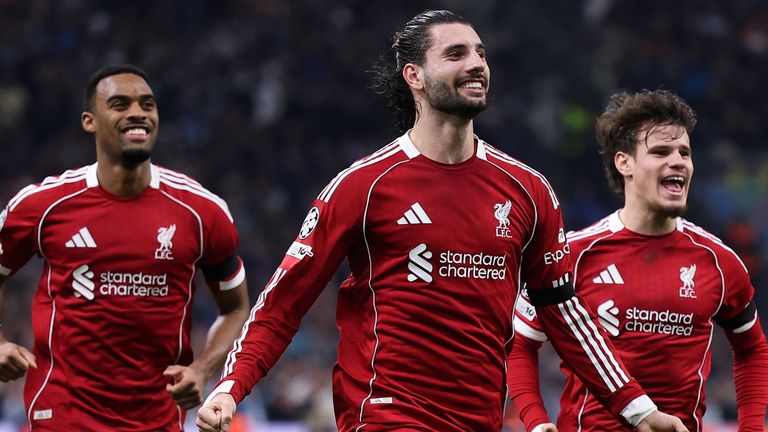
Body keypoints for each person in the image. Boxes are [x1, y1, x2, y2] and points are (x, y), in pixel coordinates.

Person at [197, 11, 686, 432]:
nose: (476, 64)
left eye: (480, 53)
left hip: (479, 418)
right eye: (455, 54)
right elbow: (283, 302)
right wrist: (232, 388)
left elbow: (562, 312)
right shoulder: (363, 187)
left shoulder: (528, 191)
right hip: (385, 414)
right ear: (414, 75)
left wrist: (637, 409)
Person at [0, 64, 250, 431]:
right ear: (90, 121)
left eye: (147, 105)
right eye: (120, 104)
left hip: (157, 419)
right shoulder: (43, 205)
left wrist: (203, 368)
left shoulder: (202, 212)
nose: (138, 113)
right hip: (63, 414)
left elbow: (236, 306)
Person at [508, 89, 768, 431]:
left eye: (685, 153)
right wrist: (536, 420)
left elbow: (752, 347)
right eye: (661, 151)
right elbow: (521, 343)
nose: (678, 161)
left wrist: (751, 427)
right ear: (624, 162)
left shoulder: (719, 261)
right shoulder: (573, 255)